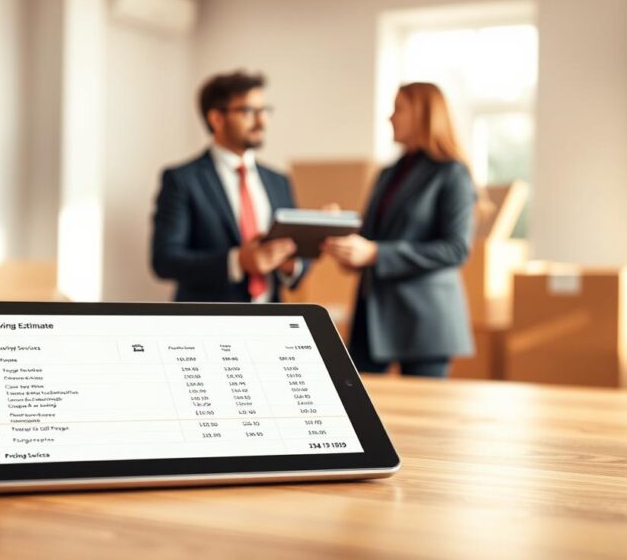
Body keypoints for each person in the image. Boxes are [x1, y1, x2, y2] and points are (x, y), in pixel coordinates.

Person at [322, 82, 477, 378]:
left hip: (425, 321)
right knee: (361, 410)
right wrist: (341, 236)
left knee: (425, 416)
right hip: (373, 316)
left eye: (398, 109)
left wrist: (375, 253)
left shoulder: (451, 173)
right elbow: (369, 241)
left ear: (423, 115)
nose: (390, 118)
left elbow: (456, 249)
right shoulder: (388, 174)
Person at [151, 70, 304, 302]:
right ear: (217, 119)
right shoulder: (182, 180)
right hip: (207, 323)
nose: (262, 121)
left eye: (264, 111)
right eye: (249, 111)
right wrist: (237, 261)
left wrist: (290, 265)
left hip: (272, 321)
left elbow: (297, 254)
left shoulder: (279, 181)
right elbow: (165, 259)